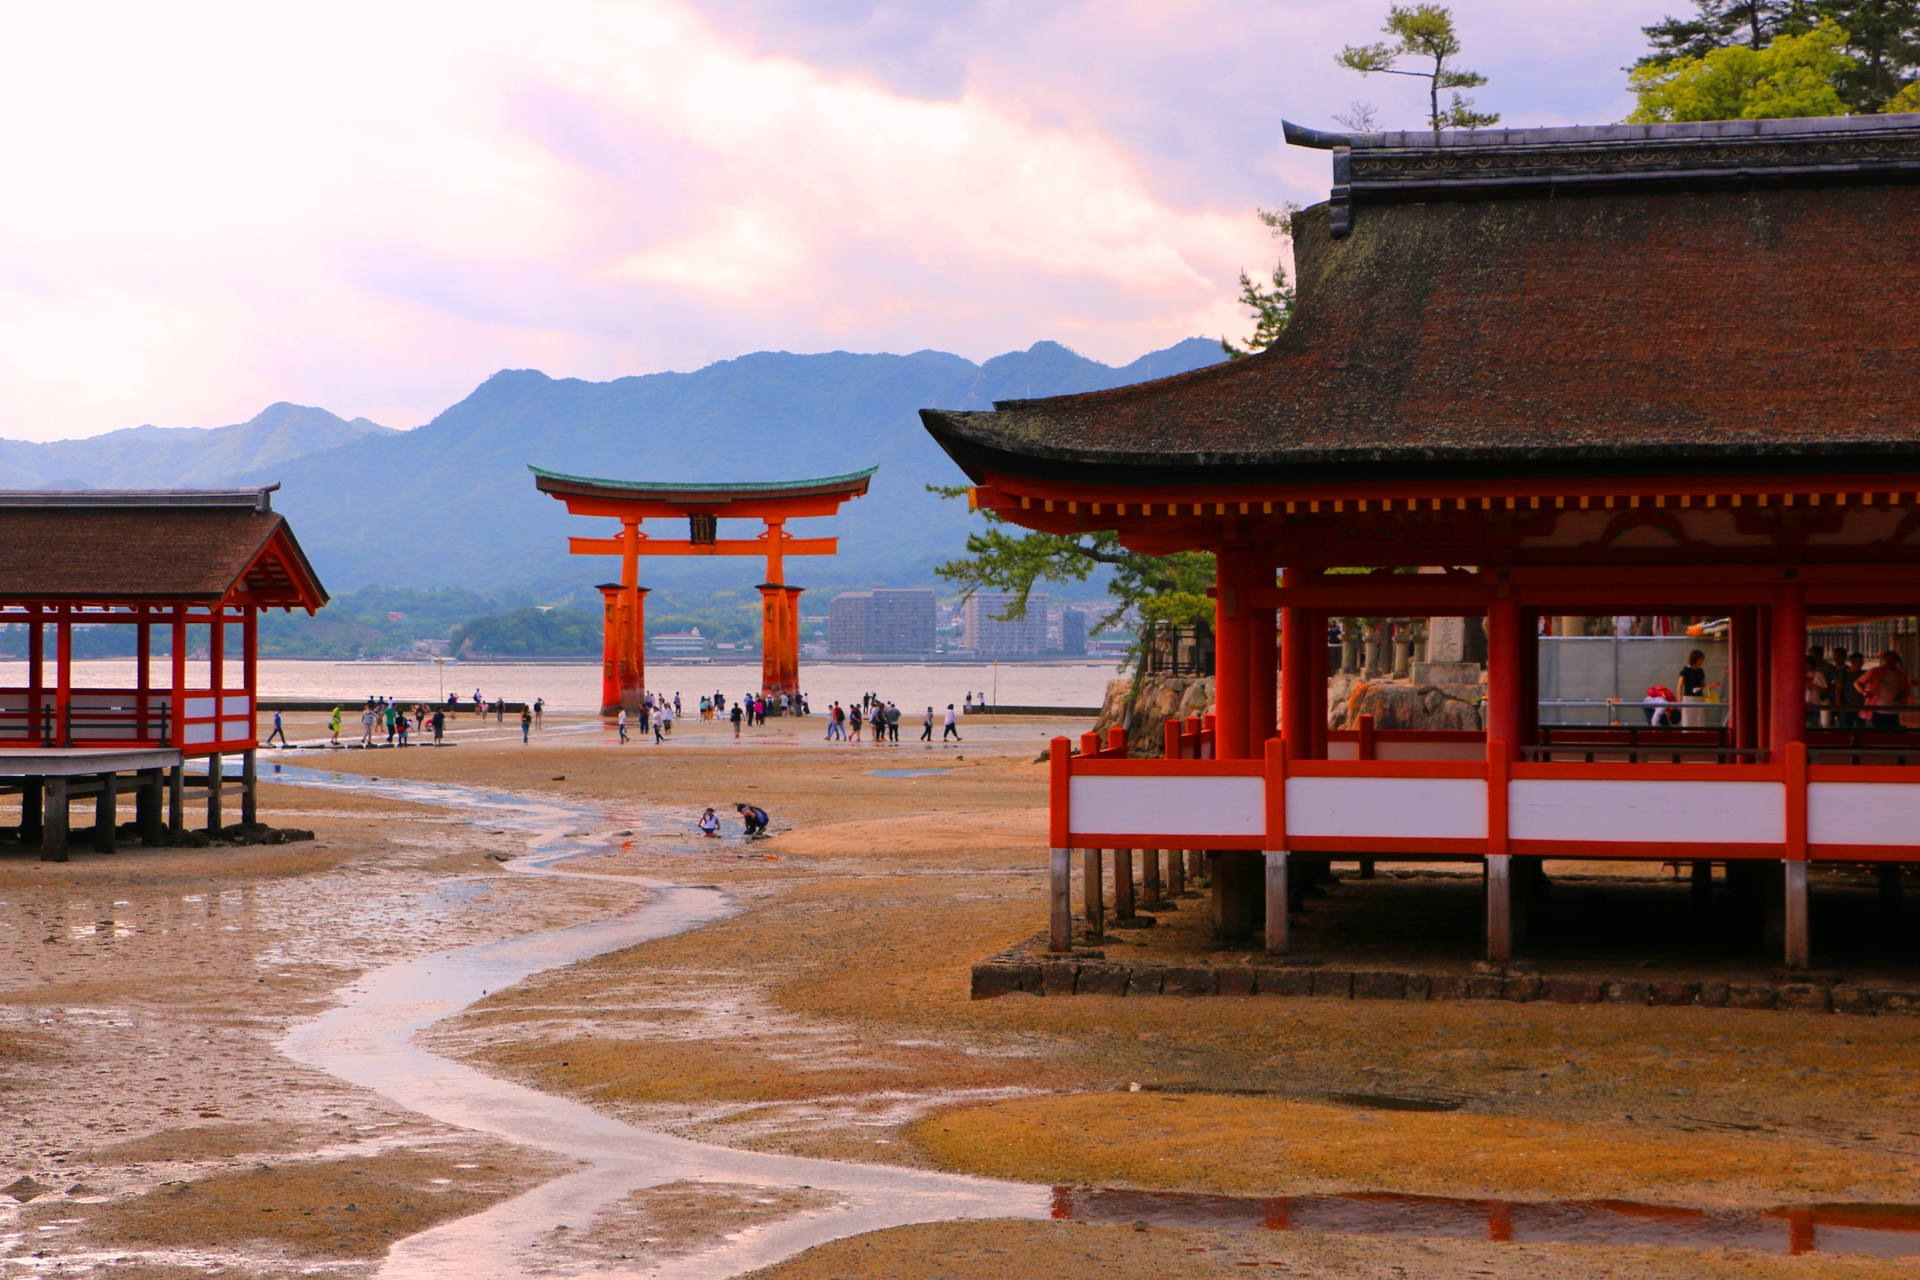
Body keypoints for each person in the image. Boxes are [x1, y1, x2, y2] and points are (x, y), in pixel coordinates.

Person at [1857, 651, 1911, 731]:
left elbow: (1907, 688)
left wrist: (1904, 694)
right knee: (1881, 735)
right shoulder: (1875, 672)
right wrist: (1863, 692)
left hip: (1897, 710)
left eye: (1893, 663)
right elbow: (1858, 683)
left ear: (1897, 662)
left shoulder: (1901, 674)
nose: (1890, 666)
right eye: (1888, 663)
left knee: (1897, 736)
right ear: (1884, 661)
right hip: (1879, 711)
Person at [1678, 650, 1708, 729]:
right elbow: (1680, 687)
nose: (1702, 661)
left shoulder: (1700, 671)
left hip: (1699, 698)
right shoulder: (1685, 670)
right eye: (1701, 659)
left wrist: (1712, 686)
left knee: (1700, 722)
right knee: (1688, 722)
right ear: (1696, 659)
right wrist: (1680, 702)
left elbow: (1703, 686)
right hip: (1688, 698)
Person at [1839, 651, 1868, 729]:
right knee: (1846, 727)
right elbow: (1839, 688)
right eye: (1857, 663)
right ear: (1852, 662)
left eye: (1861, 663)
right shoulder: (1844, 674)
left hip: (1861, 704)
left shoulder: (1863, 674)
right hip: (1847, 704)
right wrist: (1839, 703)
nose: (1859, 665)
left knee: (1861, 727)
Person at [1805, 653, 1829, 731]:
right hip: (1801, 704)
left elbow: (1822, 689)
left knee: (1814, 724)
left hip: (1814, 703)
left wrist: (1810, 685)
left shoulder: (1818, 675)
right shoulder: (1797, 674)